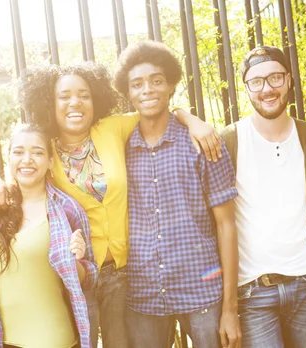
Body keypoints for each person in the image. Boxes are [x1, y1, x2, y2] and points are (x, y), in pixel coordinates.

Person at [19, 62, 221, 348]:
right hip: (78, 271)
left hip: (123, 276)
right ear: (49, 103)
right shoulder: (44, 149)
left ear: (95, 99)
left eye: (84, 95)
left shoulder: (112, 128)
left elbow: (154, 109)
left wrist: (190, 118)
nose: (75, 102)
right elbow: (21, 177)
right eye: (64, 96)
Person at [115, 40, 240, 348]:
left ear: (170, 84)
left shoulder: (202, 143)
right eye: (137, 84)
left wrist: (230, 309)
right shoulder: (118, 150)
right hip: (143, 295)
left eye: (156, 80)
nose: (147, 90)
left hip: (202, 291)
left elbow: (227, 225)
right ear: (128, 92)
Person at [219, 46, 306, 348]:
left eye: (274, 78)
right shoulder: (229, 140)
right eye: (256, 82)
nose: (267, 89)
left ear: (289, 80)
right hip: (253, 291)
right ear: (246, 89)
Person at [0, 123, 97, 348]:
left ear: (50, 161)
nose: (27, 159)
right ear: (8, 157)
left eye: (37, 152)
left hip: (52, 340)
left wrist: (76, 261)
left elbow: (90, 278)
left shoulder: (66, 209)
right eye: (18, 152)